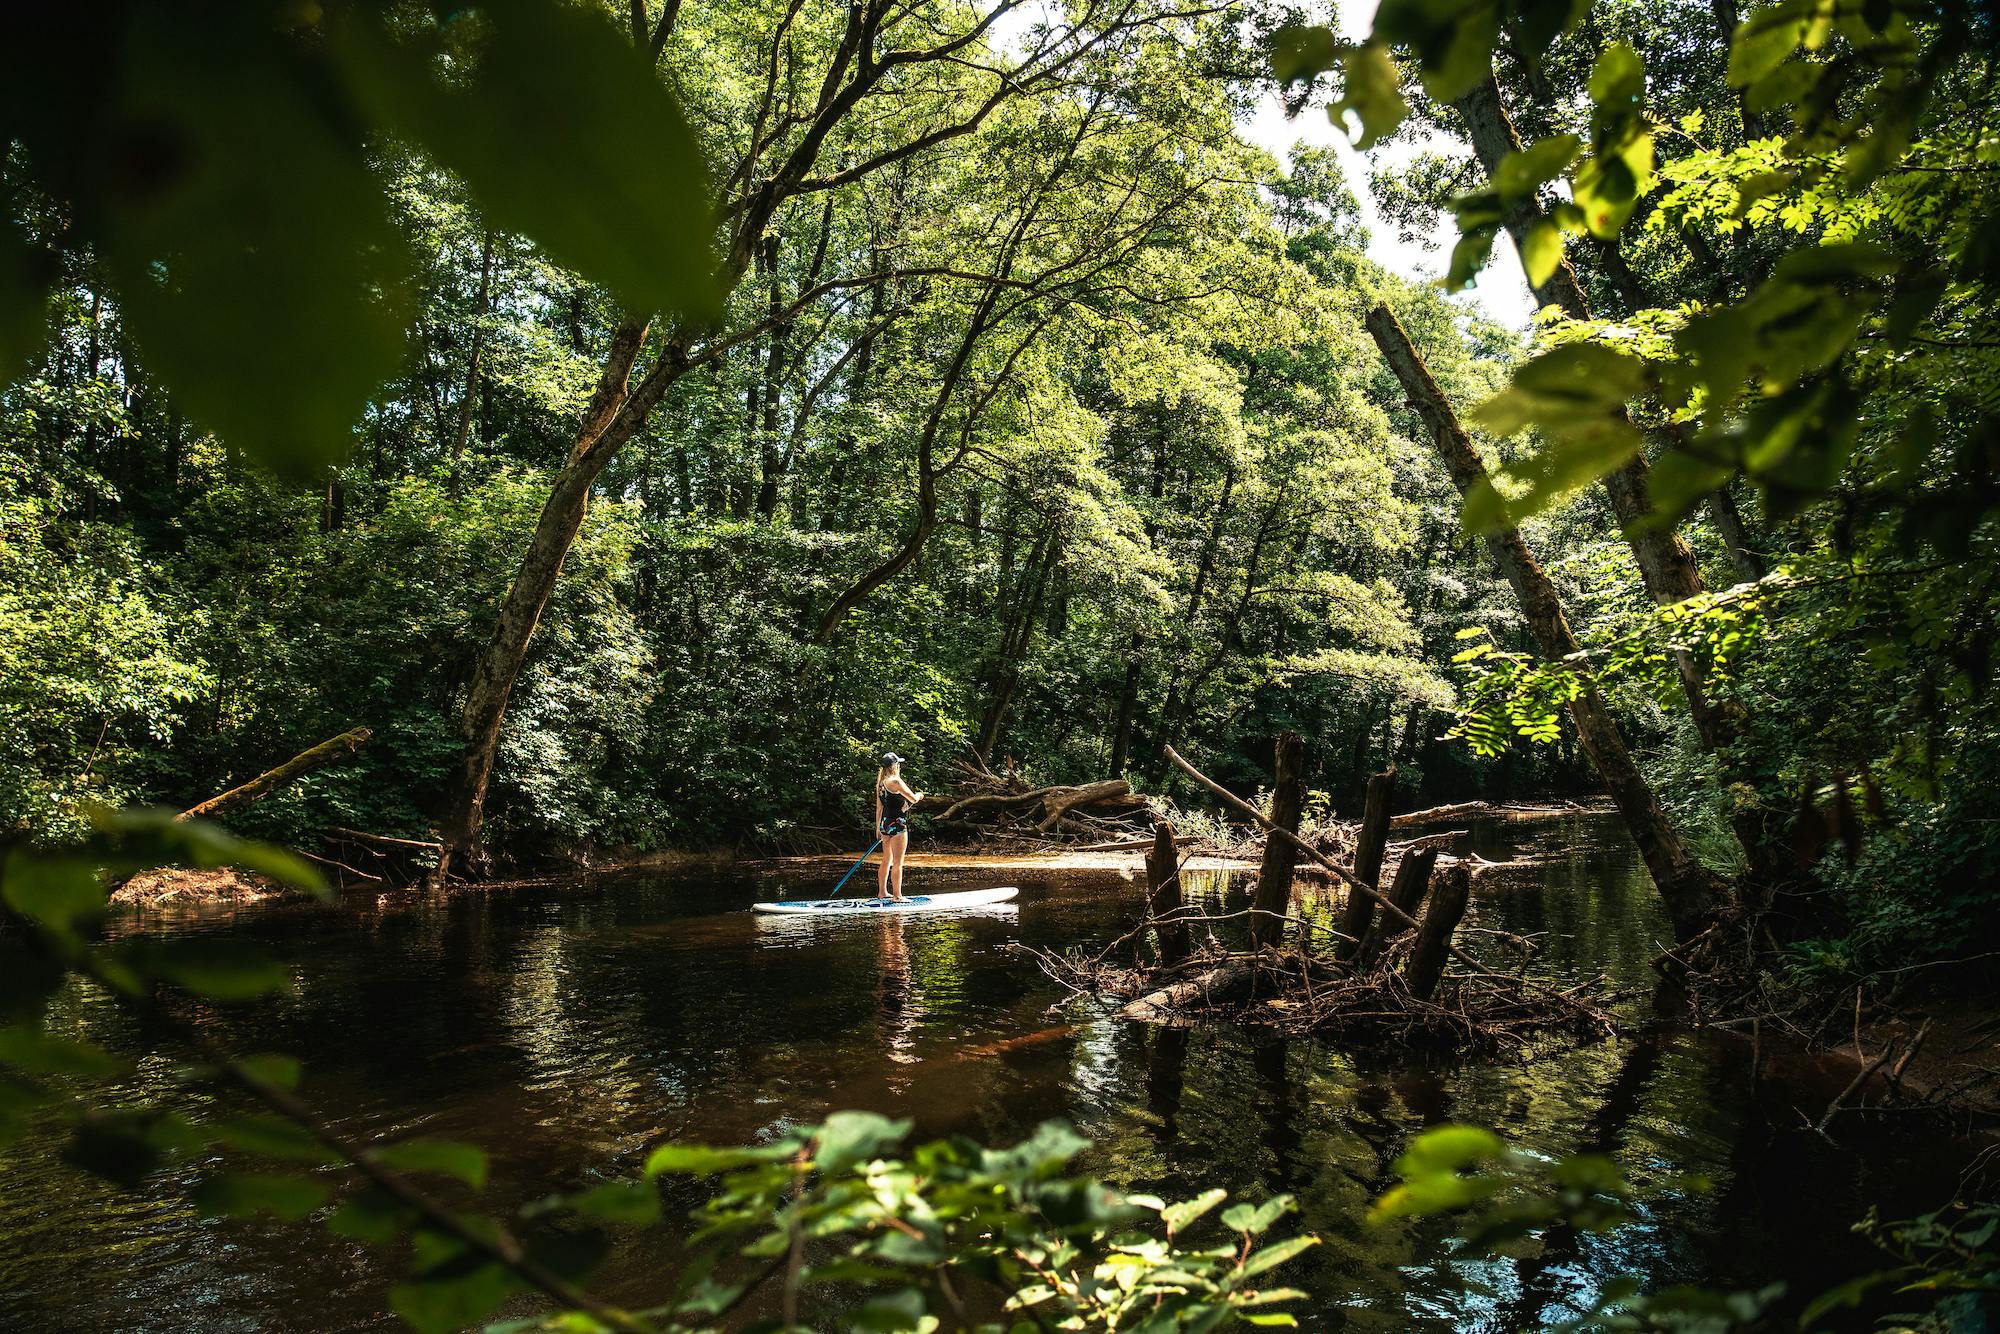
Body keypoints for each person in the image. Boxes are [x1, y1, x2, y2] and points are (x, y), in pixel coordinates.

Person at [873, 752, 924, 901]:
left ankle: (882, 892)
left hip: (885, 824)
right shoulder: (895, 781)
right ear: (893, 765)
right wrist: (920, 795)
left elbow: (879, 808)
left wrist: (878, 827)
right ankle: (897, 896)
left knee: (886, 860)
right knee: (897, 863)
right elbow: (913, 799)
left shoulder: (881, 783)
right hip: (898, 825)